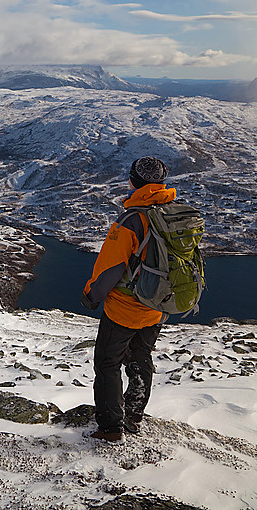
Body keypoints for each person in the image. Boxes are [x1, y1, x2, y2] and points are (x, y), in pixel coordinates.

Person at [81, 156, 174, 442]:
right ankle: (134, 414)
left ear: (133, 182)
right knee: (141, 359)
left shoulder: (131, 220)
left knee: (108, 364)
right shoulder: (174, 214)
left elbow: (110, 269)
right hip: (156, 307)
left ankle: (111, 428)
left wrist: (91, 295)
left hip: (124, 309)